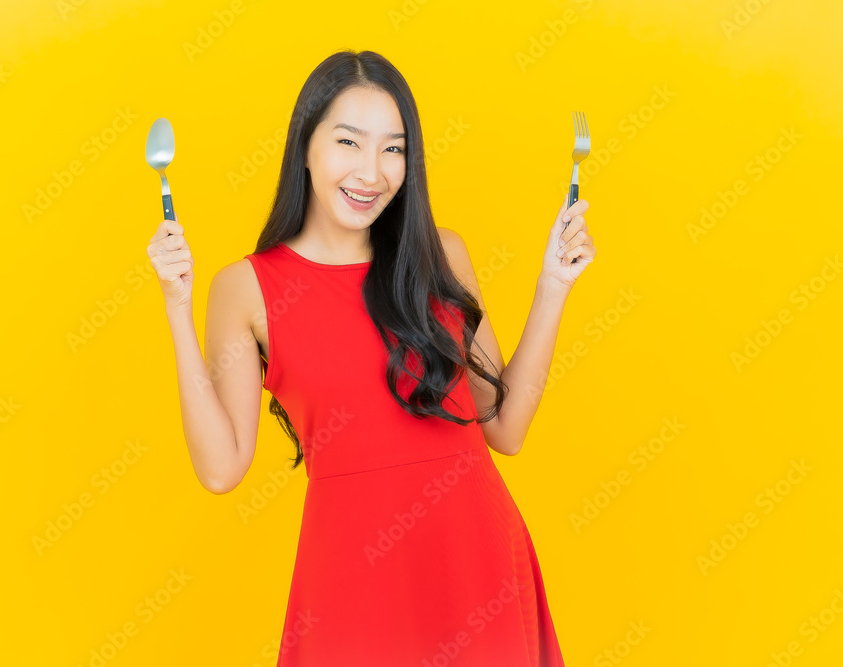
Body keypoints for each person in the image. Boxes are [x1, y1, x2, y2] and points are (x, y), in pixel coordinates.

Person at [146, 49, 595, 667]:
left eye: (393, 149)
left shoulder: (440, 254)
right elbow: (221, 469)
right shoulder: (245, 289)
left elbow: (506, 429)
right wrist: (177, 305)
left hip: (479, 569)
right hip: (351, 585)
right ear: (305, 147)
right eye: (349, 142)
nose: (372, 171)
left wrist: (553, 286)